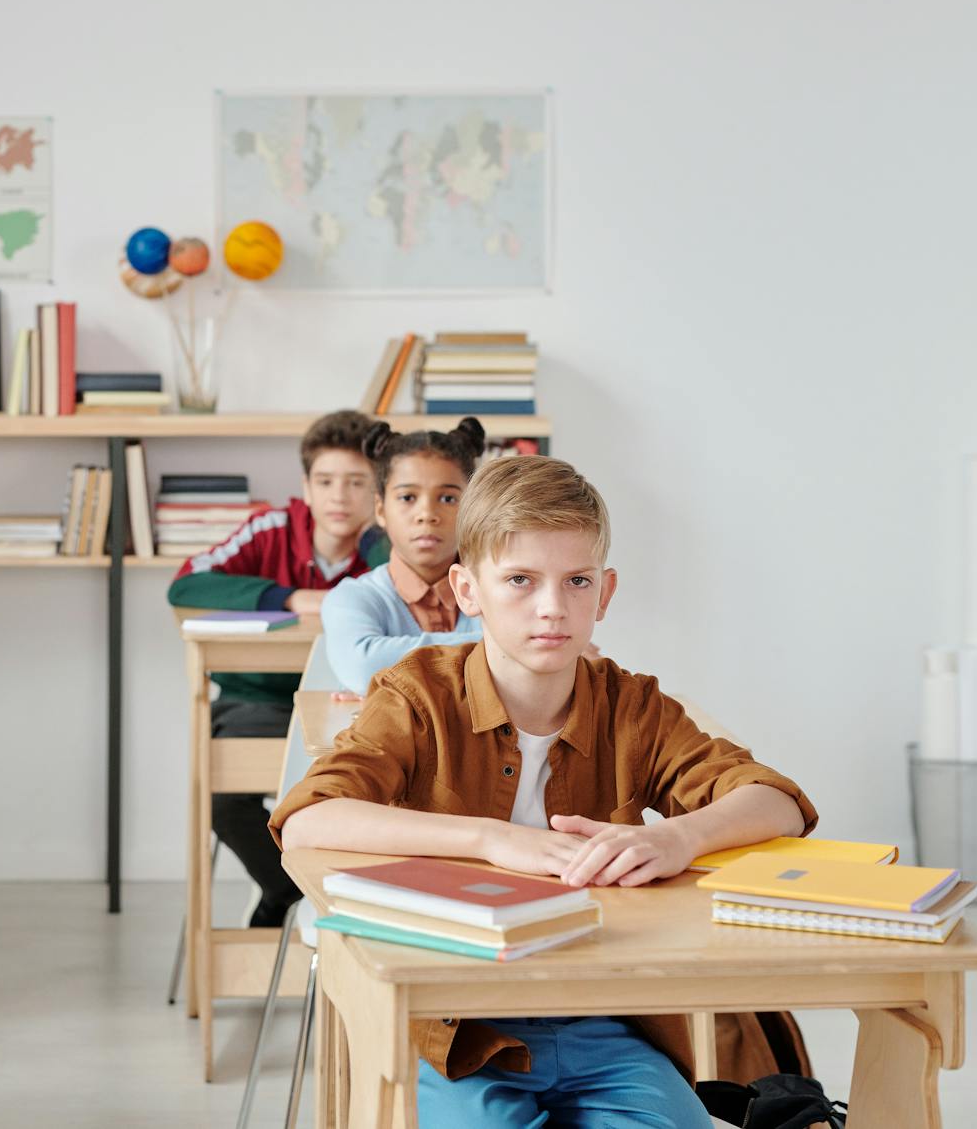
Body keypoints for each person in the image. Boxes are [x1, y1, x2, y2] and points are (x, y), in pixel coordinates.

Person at [274, 455, 816, 1127]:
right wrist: (493, 839)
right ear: (467, 589)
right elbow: (308, 818)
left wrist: (677, 835)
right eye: (521, 581)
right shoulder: (418, 694)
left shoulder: (633, 706)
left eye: (576, 580)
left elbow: (777, 800)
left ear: (605, 592)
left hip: (601, 1017)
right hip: (451, 1026)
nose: (552, 608)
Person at [167, 408, 385, 926]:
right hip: (257, 702)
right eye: (326, 481)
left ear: (376, 493)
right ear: (306, 489)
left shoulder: (384, 543)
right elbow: (186, 583)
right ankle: (290, 888)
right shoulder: (270, 529)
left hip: (345, 705)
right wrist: (286, 598)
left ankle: (312, 902)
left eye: (357, 483)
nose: (340, 496)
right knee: (224, 798)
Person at [321, 419, 487, 695]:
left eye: (448, 499)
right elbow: (364, 667)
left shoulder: (496, 591)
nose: (426, 514)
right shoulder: (350, 598)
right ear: (380, 509)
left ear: (472, 508)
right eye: (408, 497)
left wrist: (392, 679)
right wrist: (500, 649)